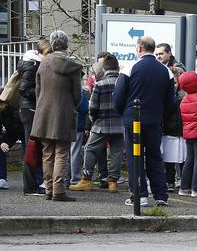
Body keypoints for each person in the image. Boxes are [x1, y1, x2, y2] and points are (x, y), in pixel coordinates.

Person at [113, 35, 176, 207]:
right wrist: (161, 116)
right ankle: (160, 195)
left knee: (135, 157)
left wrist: (123, 113)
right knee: (155, 157)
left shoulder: (130, 67)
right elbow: (171, 101)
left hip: (133, 120)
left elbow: (118, 98)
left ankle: (139, 196)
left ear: (140, 49)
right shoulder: (166, 71)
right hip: (155, 121)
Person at [31, 30, 82, 202]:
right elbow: (77, 94)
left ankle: (49, 188)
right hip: (64, 112)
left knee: (47, 153)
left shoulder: (43, 64)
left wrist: (42, 107)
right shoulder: (72, 66)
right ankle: (58, 190)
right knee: (61, 152)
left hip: (44, 113)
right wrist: (70, 106)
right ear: (67, 45)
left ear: (52, 45)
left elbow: (38, 91)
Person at [71, 54, 124, 192]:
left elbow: (92, 107)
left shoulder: (100, 84)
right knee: (116, 153)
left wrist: (93, 120)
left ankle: (86, 180)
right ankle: (113, 182)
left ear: (104, 69)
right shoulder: (124, 83)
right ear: (117, 67)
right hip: (120, 125)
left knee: (90, 149)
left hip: (101, 125)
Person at [13, 39, 51, 195]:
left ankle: (33, 183)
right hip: (30, 109)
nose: (50, 56)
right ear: (41, 52)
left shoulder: (31, 63)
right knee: (31, 148)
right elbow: (24, 89)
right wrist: (41, 95)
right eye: (49, 53)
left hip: (28, 108)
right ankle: (30, 186)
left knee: (32, 147)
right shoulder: (32, 66)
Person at [0, 92, 24, 190]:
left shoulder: (16, 108)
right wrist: (2, 141)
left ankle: (36, 180)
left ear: (7, 102)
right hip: (11, 131)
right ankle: (1, 178)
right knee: (0, 150)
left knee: (29, 153)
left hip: (24, 130)